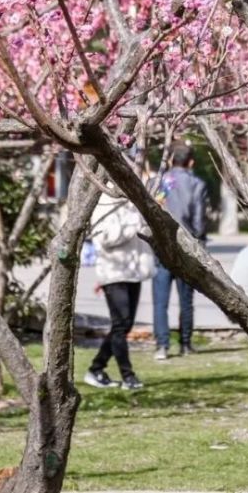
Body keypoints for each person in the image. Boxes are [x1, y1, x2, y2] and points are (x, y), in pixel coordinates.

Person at [84, 191, 154, 391]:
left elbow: (146, 231)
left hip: (134, 270)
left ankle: (96, 369)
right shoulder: (103, 202)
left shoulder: (133, 198)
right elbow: (103, 238)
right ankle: (128, 376)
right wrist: (133, 224)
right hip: (113, 272)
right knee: (121, 324)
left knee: (124, 325)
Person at [154, 141, 208, 360]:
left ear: (170, 160)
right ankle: (185, 343)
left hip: (161, 245)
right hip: (186, 247)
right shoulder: (196, 184)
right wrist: (197, 238)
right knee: (186, 299)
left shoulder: (158, 182)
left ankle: (162, 345)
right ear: (191, 162)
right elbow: (199, 220)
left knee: (160, 300)